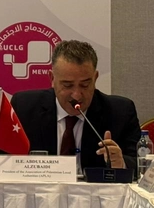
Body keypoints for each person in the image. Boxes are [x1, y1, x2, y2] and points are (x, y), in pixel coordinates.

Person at [11, 39, 141, 171]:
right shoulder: (24, 107)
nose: (77, 95)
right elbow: (1, 163)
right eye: (68, 85)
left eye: (85, 85)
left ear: (95, 78)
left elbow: (140, 165)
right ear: (52, 79)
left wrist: (121, 163)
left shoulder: (120, 112)